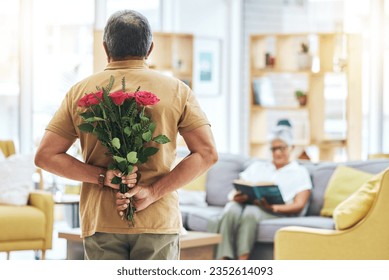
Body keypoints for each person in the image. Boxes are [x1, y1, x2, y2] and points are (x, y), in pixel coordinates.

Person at [35, 10, 218, 260]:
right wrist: (153, 192)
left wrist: (102, 176)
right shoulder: (176, 90)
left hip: (101, 221)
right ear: (150, 48)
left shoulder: (80, 91)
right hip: (157, 220)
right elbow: (207, 153)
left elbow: (46, 156)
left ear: (105, 47)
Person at [215, 120, 312, 260]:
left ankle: (243, 259)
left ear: (292, 147)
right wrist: (234, 197)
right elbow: (236, 188)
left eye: (282, 148)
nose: (277, 153)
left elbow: (299, 205)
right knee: (231, 208)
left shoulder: (300, 172)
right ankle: (223, 259)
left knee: (251, 212)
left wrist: (272, 207)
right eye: (274, 149)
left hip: (276, 210)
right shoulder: (258, 166)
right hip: (248, 203)